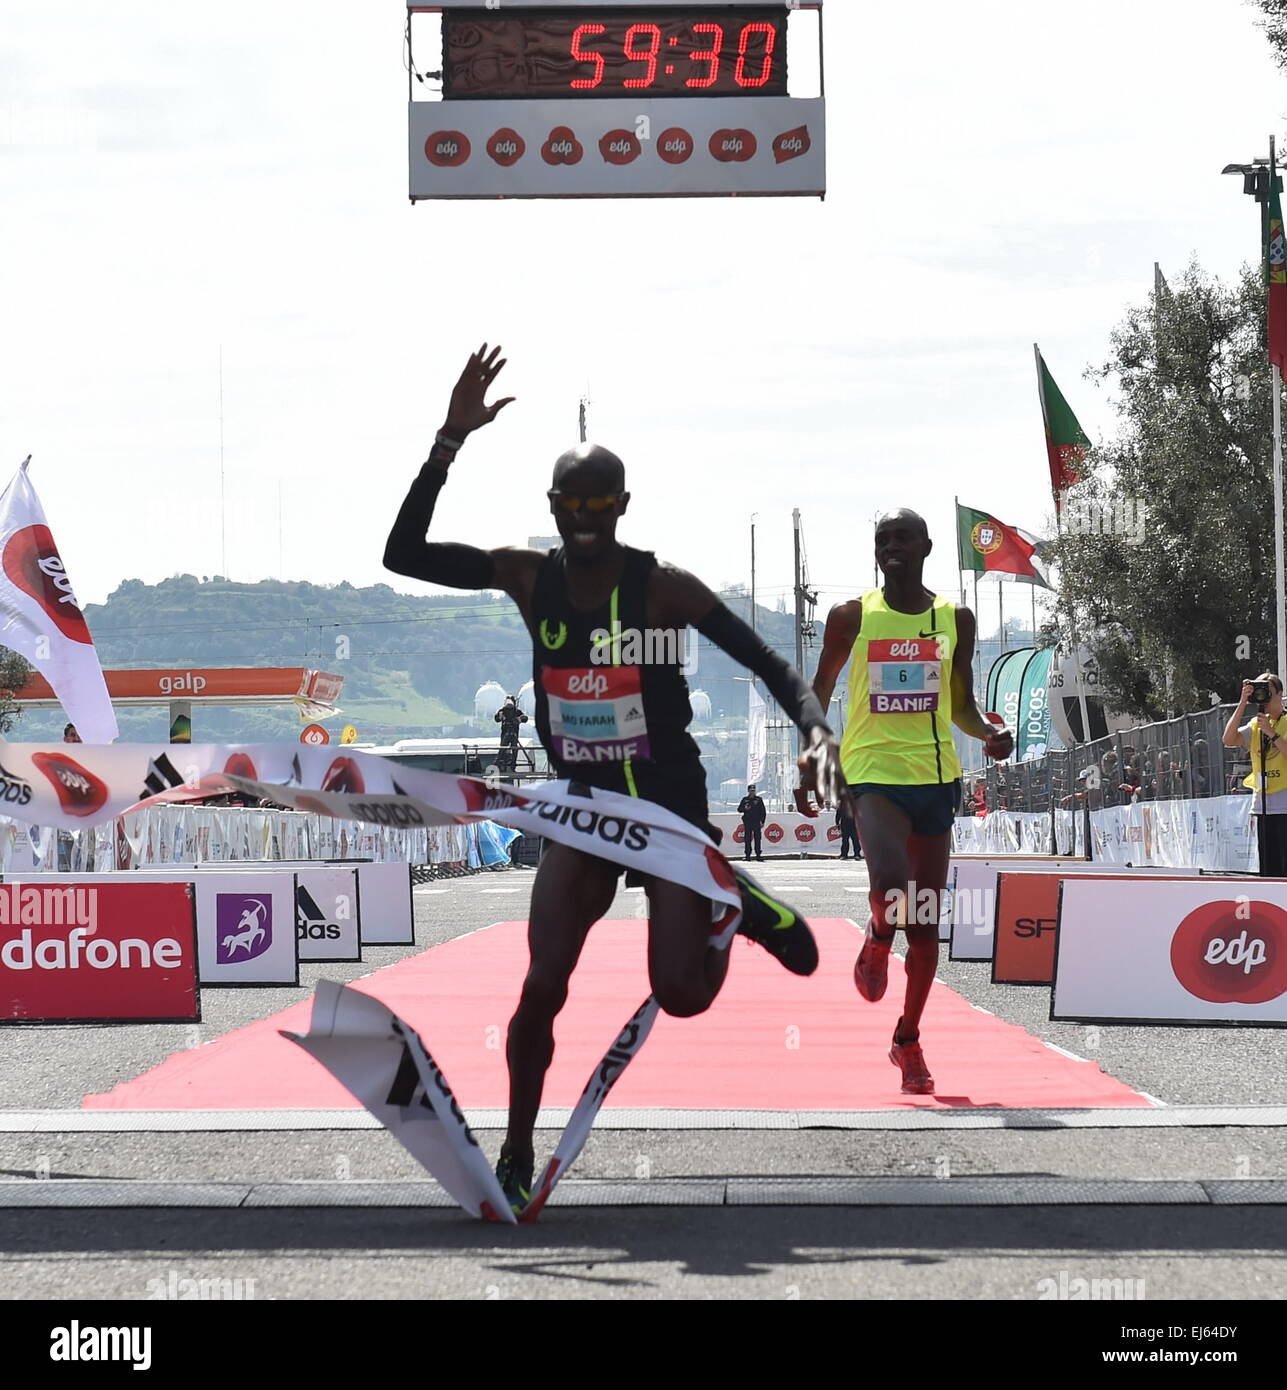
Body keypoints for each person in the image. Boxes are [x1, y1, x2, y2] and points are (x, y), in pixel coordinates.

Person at [383, 344, 843, 1211]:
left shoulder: (662, 588)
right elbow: (402, 554)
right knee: (540, 985)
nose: (584, 518)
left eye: (599, 505)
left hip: (665, 803)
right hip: (587, 811)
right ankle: (515, 1148)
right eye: (570, 505)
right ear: (552, 509)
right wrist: (448, 440)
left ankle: (737, 903)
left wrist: (817, 732)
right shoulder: (526, 577)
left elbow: (770, 664)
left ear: (622, 507)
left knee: (679, 992)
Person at [801, 509, 1012, 1095]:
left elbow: (961, 704)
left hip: (935, 777)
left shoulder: (954, 618)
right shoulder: (851, 616)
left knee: (923, 926)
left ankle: (907, 1039)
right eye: (880, 540)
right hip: (870, 773)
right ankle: (875, 932)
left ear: (926, 547)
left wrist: (988, 734)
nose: (889, 547)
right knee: (891, 884)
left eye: (901, 538)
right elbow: (818, 691)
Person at [1222, 674, 1287, 876]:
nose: (1264, 699)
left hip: (1285, 804)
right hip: (1263, 805)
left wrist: (1272, 734)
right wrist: (1243, 702)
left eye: (1268, 693)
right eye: (1261, 693)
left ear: (1280, 694)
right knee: (1269, 870)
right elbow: (1228, 739)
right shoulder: (1256, 724)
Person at [494, 695, 528, 772]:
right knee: (503, 750)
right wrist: (500, 717)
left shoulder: (517, 712)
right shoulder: (503, 711)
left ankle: (512, 765)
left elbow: (525, 718)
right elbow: (496, 718)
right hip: (505, 734)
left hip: (514, 734)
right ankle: (499, 765)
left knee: (514, 749)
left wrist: (519, 719)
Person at [737, 783, 766, 860]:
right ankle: (747, 855)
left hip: (756, 822)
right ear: (748, 791)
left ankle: (758, 855)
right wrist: (745, 808)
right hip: (748, 822)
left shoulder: (759, 799)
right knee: (747, 839)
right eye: (751, 791)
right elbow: (739, 809)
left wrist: (762, 821)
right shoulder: (745, 800)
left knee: (757, 838)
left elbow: (763, 811)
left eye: (753, 791)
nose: (752, 792)